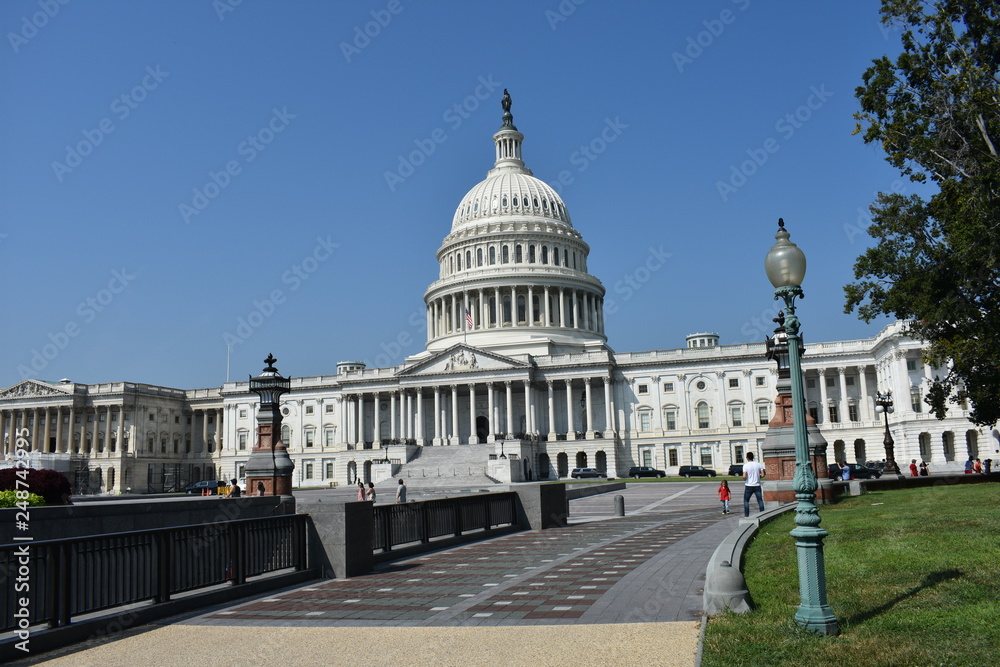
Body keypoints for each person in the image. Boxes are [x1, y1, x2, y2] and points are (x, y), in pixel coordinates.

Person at [742, 451, 765, 518]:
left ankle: (746, 515)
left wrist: (745, 478)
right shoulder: (758, 464)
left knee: (746, 501)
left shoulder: (745, 465)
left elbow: (744, 476)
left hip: (749, 485)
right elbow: (763, 474)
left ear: (747, 458)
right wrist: (758, 477)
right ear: (753, 457)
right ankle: (762, 513)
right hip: (757, 485)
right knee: (760, 500)